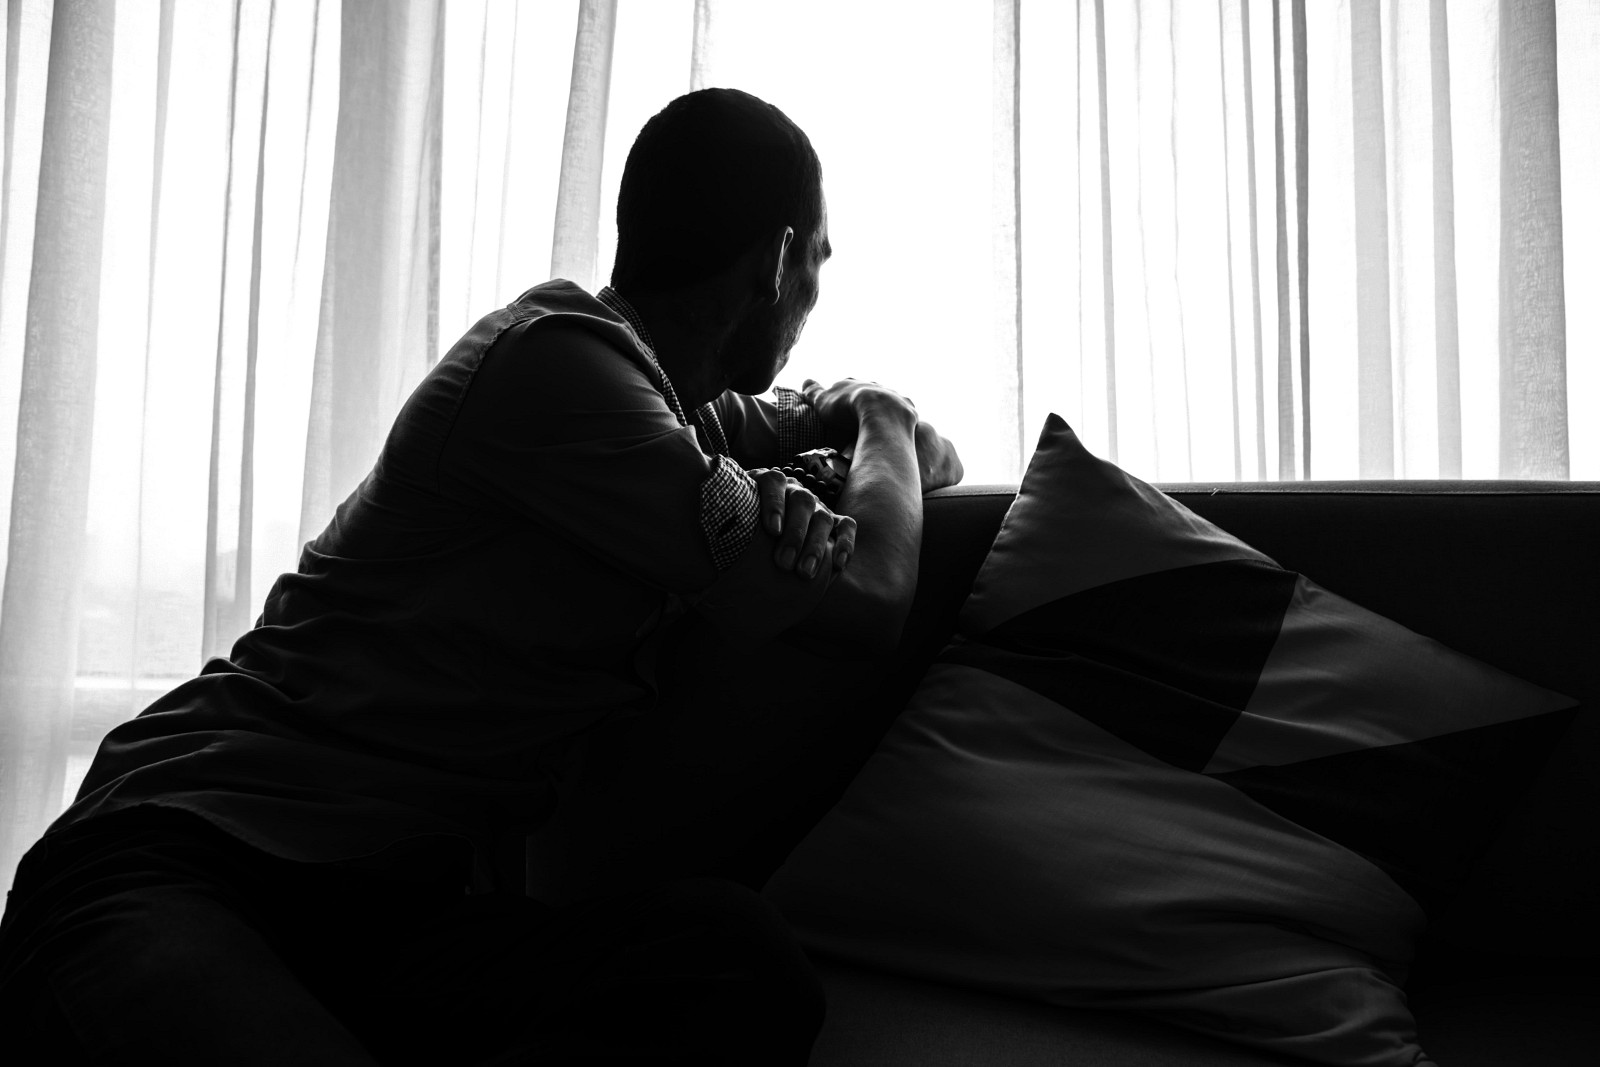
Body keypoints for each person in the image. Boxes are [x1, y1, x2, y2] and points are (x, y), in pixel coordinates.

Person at [0, 87, 962, 1065]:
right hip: (185, 855)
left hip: (387, 917)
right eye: (819, 261)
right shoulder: (560, 368)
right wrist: (879, 417)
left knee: (735, 961)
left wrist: (836, 449)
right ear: (778, 259)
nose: (813, 295)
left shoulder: (687, 410)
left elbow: (913, 447)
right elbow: (872, 600)